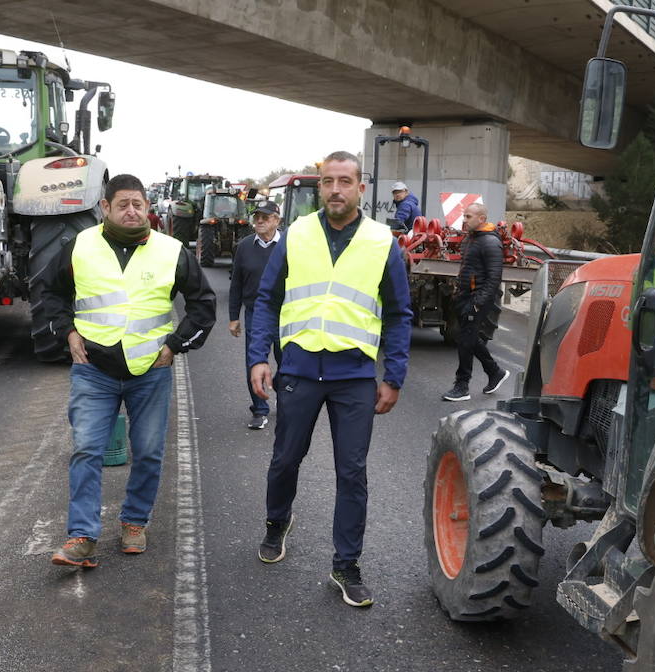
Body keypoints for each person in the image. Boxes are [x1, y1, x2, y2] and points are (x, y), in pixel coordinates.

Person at [247, 151, 413, 607]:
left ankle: (346, 565)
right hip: (299, 368)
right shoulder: (297, 234)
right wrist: (258, 356)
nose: (335, 189)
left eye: (345, 181)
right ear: (319, 187)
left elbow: (399, 314)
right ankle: (276, 521)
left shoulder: (382, 241)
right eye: (328, 182)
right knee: (285, 458)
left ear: (361, 188)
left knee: (352, 473)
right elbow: (267, 299)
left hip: (355, 376)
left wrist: (393, 375)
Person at [38, 174, 216, 568]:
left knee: (149, 452)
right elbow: (50, 292)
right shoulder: (79, 246)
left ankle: (135, 522)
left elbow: (203, 304)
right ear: (106, 207)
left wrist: (174, 346)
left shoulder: (171, 251)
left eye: (138, 203)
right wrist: (67, 333)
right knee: (87, 450)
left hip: (150, 371)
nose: (132, 210)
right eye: (123, 204)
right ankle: (82, 536)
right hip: (93, 370)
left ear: (147, 207)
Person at [228, 199, 284, 430]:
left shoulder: (290, 245)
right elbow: (236, 284)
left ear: (276, 220)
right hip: (255, 313)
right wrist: (234, 316)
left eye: (265, 217)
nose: (259, 221)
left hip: (286, 312)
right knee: (255, 361)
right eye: (257, 217)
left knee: (289, 362)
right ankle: (259, 410)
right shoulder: (244, 246)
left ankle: (287, 404)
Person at [442, 202, 507, 401]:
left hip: (477, 299)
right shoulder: (472, 239)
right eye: (464, 215)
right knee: (467, 337)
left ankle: (462, 386)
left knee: (465, 341)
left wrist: (478, 302)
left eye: (468, 216)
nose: (464, 219)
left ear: (482, 219)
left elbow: (494, 277)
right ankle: (495, 372)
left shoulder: (490, 242)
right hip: (465, 296)